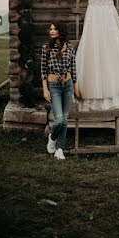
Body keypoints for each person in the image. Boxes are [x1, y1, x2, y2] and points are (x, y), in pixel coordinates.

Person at [41, 21, 81, 160]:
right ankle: (52, 138)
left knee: (64, 119)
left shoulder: (70, 48)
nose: (51, 31)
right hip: (54, 87)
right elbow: (43, 71)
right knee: (59, 119)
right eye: (50, 29)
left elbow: (73, 69)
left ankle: (60, 149)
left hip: (68, 85)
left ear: (60, 31)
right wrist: (45, 89)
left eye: (54, 29)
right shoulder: (46, 48)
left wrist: (76, 89)